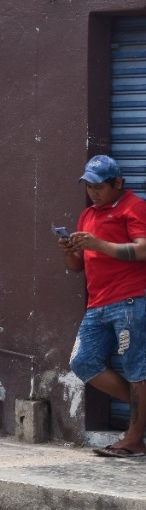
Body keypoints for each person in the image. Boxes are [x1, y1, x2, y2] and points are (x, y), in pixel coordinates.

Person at [58, 155, 146, 458]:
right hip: (98, 304)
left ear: (117, 183)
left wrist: (100, 245)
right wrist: (68, 251)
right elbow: (77, 266)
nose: (93, 192)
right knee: (83, 362)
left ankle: (134, 439)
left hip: (131, 300)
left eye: (99, 186)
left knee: (137, 368)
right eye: (89, 186)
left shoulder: (133, 207)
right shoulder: (88, 215)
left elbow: (143, 249)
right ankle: (141, 412)